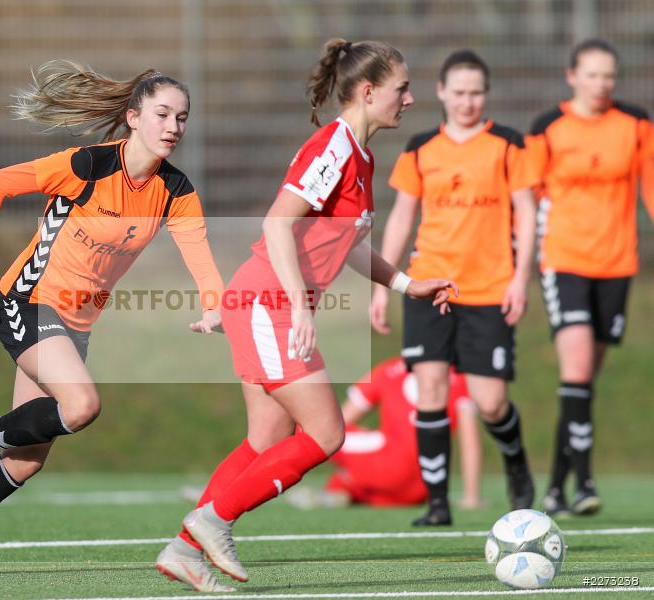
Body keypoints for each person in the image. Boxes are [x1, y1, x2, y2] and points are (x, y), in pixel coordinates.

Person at [0, 60, 225, 578]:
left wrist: (214, 303)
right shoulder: (87, 166)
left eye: (182, 118)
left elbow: (199, 253)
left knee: (24, 462)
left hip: (74, 325)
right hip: (29, 301)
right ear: (133, 118)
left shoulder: (175, 190)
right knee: (82, 404)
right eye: (163, 114)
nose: (173, 126)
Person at [155, 39, 456, 592]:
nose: (410, 99)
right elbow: (276, 224)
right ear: (368, 92)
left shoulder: (358, 154)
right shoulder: (335, 146)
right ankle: (212, 521)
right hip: (270, 304)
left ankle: (184, 550)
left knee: (269, 437)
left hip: (266, 303)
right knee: (326, 432)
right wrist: (297, 306)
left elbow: (350, 246)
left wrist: (408, 284)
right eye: (402, 88)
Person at [370, 49, 537, 526]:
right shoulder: (421, 147)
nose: (467, 101)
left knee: (490, 402)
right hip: (430, 287)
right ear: (441, 92)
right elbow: (403, 214)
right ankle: (438, 502)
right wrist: (386, 284)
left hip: (489, 290)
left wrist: (521, 279)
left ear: (486, 94)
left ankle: (518, 467)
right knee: (430, 390)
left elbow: (526, 212)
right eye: (459, 92)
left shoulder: (507, 144)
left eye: (476, 92)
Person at [525, 39, 654, 517]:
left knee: (581, 383)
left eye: (609, 76)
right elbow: (528, 200)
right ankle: (584, 485)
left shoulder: (637, 124)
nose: (602, 84)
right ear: (571, 75)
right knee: (576, 371)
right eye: (593, 75)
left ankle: (556, 488)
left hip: (617, 265)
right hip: (564, 260)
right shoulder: (548, 127)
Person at [286, 357, 483, 510]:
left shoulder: (389, 370)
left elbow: (338, 422)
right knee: (368, 449)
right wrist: (471, 496)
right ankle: (348, 487)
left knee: (313, 428)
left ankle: (340, 483)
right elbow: (470, 442)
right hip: (424, 488)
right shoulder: (459, 377)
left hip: (388, 465)